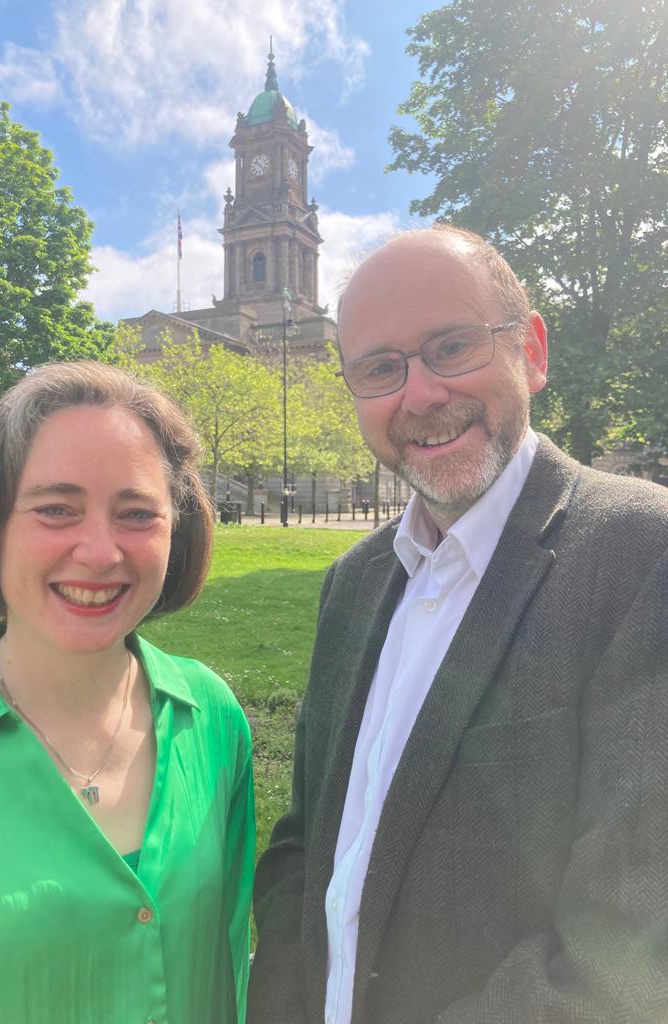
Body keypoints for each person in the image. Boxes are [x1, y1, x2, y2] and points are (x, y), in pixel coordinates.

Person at [249, 226, 668, 1023]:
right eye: (380, 368)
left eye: (451, 346)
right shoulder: (356, 579)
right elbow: (305, 849)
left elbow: (633, 955)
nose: (420, 394)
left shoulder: (643, 555)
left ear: (533, 351)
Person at [0, 362, 254, 1024]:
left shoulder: (212, 719)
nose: (100, 551)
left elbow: (225, 965)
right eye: (56, 509)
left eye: (136, 513)